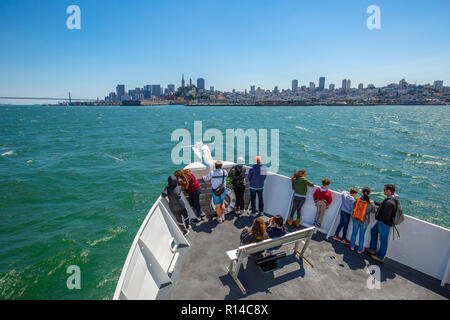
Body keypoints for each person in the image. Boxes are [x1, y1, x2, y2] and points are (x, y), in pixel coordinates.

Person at [367, 184, 398, 263]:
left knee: (383, 240)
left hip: (384, 223)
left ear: (389, 191)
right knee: (373, 231)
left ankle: (380, 257)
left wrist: (378, 217)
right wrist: (374, 202)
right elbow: (383, 204)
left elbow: (386, 216)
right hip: (382, 222)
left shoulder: (390, 202)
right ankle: (372, 249)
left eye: (385, 190)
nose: (384, 191)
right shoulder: (390, 199)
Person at [349, 187, 377, 253]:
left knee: (354, 233)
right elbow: (373, 211)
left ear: (362, 192)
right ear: (369, 193)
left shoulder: (358, 199)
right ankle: (360, 249)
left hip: (356, 218)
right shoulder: (371, 202)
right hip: (364, 221)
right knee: (362, 235)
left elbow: (354, 206)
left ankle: (352, 246)